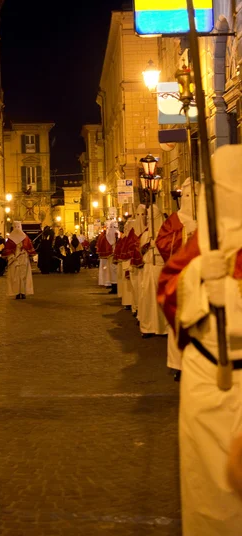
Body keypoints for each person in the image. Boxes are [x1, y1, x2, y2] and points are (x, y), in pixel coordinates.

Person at [157, 144, 242, 536]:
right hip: (206, 375)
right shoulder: (202, 242)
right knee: (208, 495)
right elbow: (168, 289)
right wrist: (197, 281)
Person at [156, 178, 197, 378]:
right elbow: (163, 243)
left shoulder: (207, 218)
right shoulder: (175, 220)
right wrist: (184, 234)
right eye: (188, 196)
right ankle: (179, 364)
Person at [138, 204, 169, 338]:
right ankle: (148, 326)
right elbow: (140, 251)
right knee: (148, 298)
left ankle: (164, 327)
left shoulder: (166, 233)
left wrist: (156, 245)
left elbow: (169, 250)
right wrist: (147, 244)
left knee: (161, 297)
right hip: (149, 268)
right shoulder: (146, 234)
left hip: (160, 267)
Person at [2, 221, 36, 299]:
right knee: (15, 277)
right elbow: (7, 249)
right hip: (14, 259)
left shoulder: (25, 237)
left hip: (23, 258)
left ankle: (23, 292)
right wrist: (12, 256)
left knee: (23, 276)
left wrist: (24, 250)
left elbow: (29, 247)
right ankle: (17, 292)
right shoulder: (10, 238)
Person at [96, 222, 113, 287]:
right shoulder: (103, 236)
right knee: (105, 269)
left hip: (111, 257)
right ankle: (106, 281)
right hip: (105, 258)